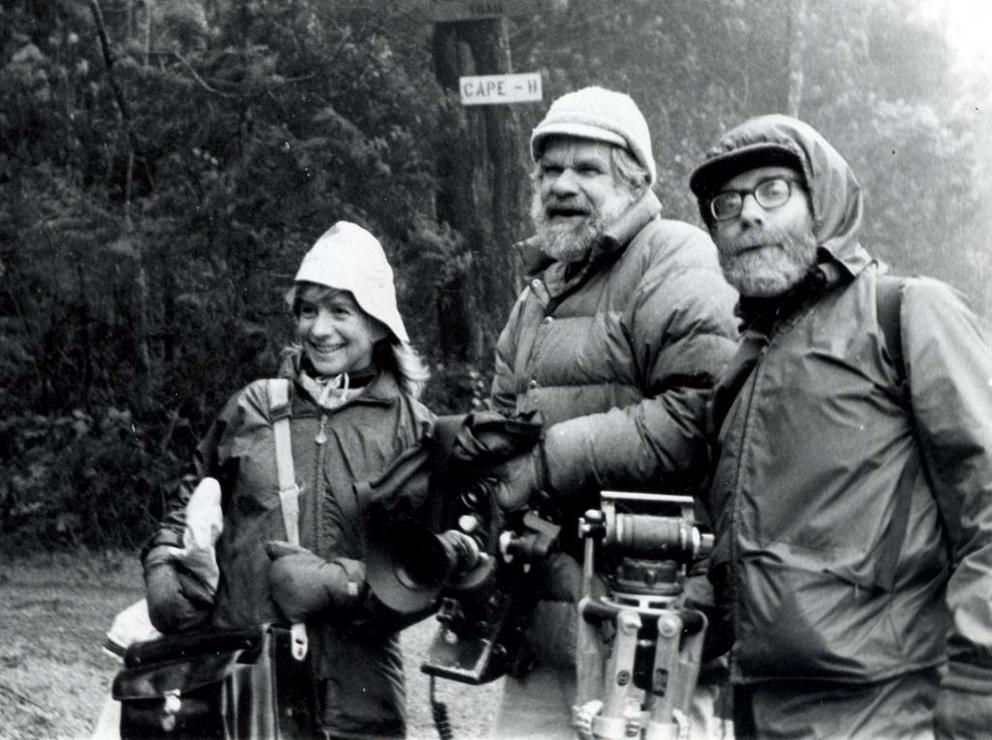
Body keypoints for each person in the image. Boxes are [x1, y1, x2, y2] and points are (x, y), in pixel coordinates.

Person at [688, 113, 992, 739]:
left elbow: (986, 502)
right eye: (727, 203)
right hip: (757, 708)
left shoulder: (904, 311)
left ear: (823, 202)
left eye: (774, 190)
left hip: (887, 709)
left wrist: (979, 678)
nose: (749, 214)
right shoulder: (739, 371)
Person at [486, 86, 739, 738]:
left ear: (635, 182)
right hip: (548, 633)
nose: (562, 184)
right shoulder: (538, 293)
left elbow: (698, 415)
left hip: (657, 640)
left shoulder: (676, 256)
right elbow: (497, 430)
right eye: (549, 170)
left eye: (587, 169)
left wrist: (548, 458)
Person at [142, 221, 434, 739]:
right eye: (307, 309)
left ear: (379, 321)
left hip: (357, 708)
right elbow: (184, 508)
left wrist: (339, 585)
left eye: (340, 310)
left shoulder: (413, 429)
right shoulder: (253, 406)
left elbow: (429, 572)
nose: (319, 329)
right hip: (243, 695)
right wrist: (168, 570)